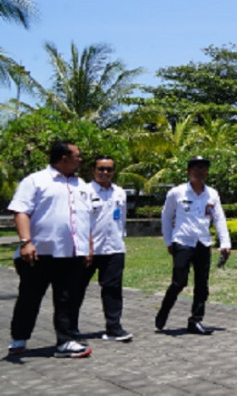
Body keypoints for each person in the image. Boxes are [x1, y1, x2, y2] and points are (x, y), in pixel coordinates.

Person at [6, 140, 94, 358]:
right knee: (30, 298)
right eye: (77, 155)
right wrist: (26, 242)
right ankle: (19, 339)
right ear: (64, 158)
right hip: (39, 254)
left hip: (71, 254)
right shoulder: (36, 181)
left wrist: (88, 247)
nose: (80, 159)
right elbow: (20, 212)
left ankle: (65, 341)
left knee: (67, 299)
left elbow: (85, 219)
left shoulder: (81, 184)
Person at [155, 155, 231, 335]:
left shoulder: (212, 194)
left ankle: (195, 320)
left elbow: (219, 218)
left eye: (203, 168)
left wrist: (225, 242)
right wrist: (168, 241)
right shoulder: (177, 192)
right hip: (183, 242)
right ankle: (165, 309)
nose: (200, 172)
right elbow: (166, 217)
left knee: (202, 284)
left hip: (203, 243)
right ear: (189, 171)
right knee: (179, 282)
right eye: (196, 168)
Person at [78, 155, 133, 342]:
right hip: (88, 251)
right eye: (101, 169)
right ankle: (70, 330)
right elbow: (81, 221)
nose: (105, 173)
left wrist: (121, 240)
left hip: (114, 249)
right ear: (93, 170)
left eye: (109, 169)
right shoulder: (84, 191)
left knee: (113, 290)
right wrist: (86, 247)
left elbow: (122, 219)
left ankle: (113, 328)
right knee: (76, 290)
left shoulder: (120, 192)